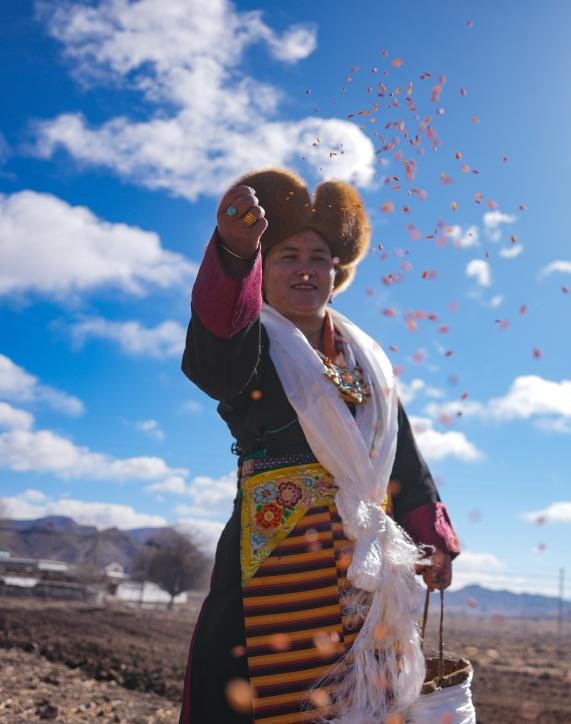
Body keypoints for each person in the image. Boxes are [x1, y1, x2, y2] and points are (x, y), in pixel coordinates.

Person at [179, 168, 460, 723]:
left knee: (364, 697)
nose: (305, 269)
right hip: (275, 556)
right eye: (287, 255)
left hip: (364, 565)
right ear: (263, 268)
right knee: (257, 696)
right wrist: (234, 255)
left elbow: (402, 457)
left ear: (337, 271)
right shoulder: (251, 343)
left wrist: (430, 537)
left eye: (319, 257)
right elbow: (215, 358)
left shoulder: (367, 362)